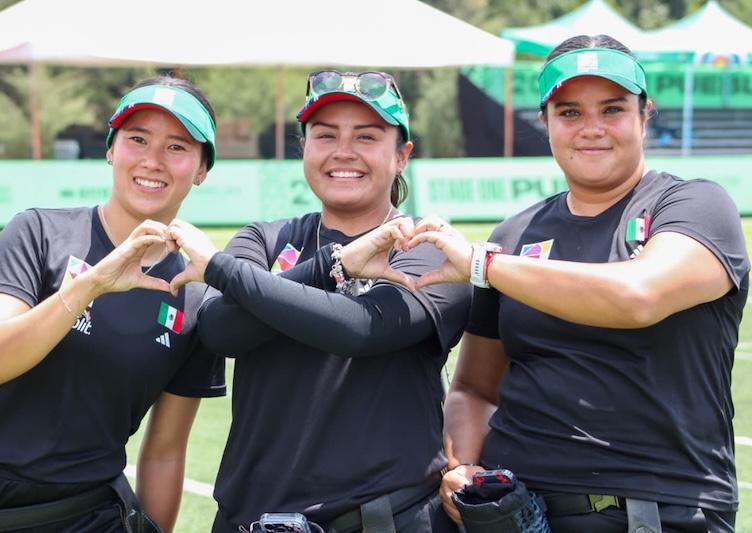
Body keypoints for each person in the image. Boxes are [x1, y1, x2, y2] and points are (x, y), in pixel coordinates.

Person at [404, 35, 749, 532]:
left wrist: (484, 264)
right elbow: (475, 387)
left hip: (657, 509)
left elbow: (638, 295)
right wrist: (461, 467)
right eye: (569, 113)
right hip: (520, 511)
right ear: (544, 121)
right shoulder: (515, 235)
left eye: (612, 109)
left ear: (645, 114)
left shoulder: (695, 206)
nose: (592, 129)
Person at [165, 70, 472, 532]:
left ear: (402, 155)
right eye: (325, 135)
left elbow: (363, 329)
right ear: (304, 147)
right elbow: (221, 331)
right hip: (253, 520)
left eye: (366, 137)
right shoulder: (265, 239)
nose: (343, 151)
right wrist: (336, 264)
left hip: (389, 518)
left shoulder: (430, 248)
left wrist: (224, 272)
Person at [0, 75, 225, 532]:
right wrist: (91, 284)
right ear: (111, 150)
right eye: (137, 139)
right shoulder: (38, 233)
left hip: (84, 513)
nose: (153, 160)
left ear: (202, 169)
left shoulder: (196, 297)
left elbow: (163, 452)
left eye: (177, 147)